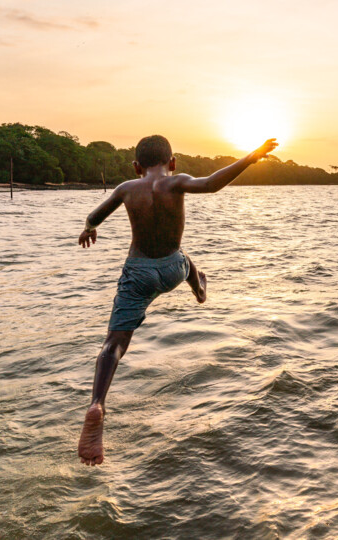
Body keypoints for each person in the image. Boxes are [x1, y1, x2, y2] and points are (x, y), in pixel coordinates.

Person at [77, 135, 279, 466]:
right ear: (172, 163)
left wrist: (88, 229)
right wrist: (252, 157)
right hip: (172, 268)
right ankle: (197, 285)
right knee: (184, 260)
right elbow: (213, 183)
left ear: (136, 166)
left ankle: (98, 402)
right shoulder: (179, 182)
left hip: (138, 273)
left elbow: (95, 215)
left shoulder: (127, 188)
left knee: (113, 344)